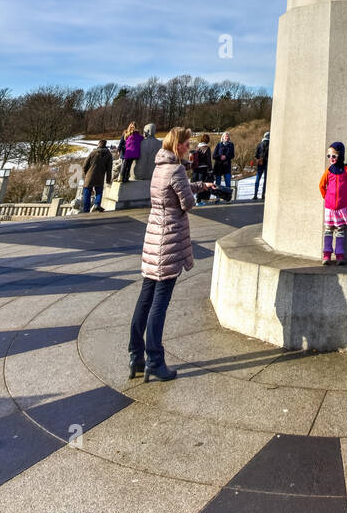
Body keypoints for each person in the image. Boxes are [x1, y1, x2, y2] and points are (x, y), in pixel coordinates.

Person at [128, 126, 215, 382]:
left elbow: (175, 189)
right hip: (169, 241)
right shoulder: (176, 169)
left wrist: (198, 185)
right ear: (178, 146)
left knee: (145, 298)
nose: (189, 148)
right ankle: (155, 359)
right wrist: (198, 193)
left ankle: (136, 355)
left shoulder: (160, 167)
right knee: (160, 304)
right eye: (187, 144)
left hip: (154, 238)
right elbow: (186, 202)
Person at [319, 141, 347, 264]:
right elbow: (321, 185)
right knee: (328, 230)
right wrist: (327, 197)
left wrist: (344, 197)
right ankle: (326, 255)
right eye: (329, 156)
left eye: (334, 156)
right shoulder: (329, 171)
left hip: (341, 207)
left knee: (340, 230)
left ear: (340, 155)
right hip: (330, 207)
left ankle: (340, 256)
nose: (331, 158)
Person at [81, 138, 113, 212]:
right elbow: (109, 169)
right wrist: (108, 179)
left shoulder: (93, 153)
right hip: (100, 176)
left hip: (89, 175)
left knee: (87, 192)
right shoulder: (108, 154)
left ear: (98, 144)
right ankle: (97, 204)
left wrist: (86, 174)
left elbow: (85, 165)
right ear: (105, 145)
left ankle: (86, 209)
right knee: (99, 191)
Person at [212, 132, 235, 197]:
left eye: (228, 136)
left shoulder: (231, 145)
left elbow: (232, 155)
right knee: (218, 184)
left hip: (227, 166)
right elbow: (214, 156)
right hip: (218, 166)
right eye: (226, 136)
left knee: (228, 183)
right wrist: (220, 157)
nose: (227, 138)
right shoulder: (219, 145)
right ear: (223, 137)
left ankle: (228, 197)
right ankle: (217, 198)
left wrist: (226, 157)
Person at [253, 131, 270, 200]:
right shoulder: (271, 144)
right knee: (265, 180)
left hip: (260, 163)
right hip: (267, 164)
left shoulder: (259, 144)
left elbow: (256, 155)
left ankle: (255, 195)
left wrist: (259, 159)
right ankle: (263, 195)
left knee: (257, 179)